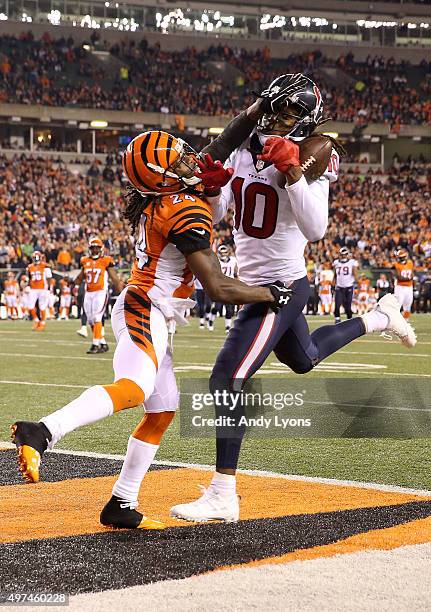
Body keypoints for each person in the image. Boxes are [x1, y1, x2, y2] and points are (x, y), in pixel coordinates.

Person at [11, 128, 290, 530]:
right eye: (179, 160)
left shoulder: (164, 196)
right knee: (135, 389)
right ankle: (43, 431)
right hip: (146, 306)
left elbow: (216, 148)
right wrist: (269, 293)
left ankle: (121, 503)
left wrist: (253, 113)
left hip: (153, 307)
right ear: (163, 177)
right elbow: (218, 286)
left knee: (161, 411)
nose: (192, 160)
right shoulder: (181, 208)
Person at [170, 73, 417, 523]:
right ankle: (380, 317)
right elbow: (227, 211)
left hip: (281, 287)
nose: (276, 119)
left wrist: (295, 173)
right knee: (302, 358)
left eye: (287, 112)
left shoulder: (313, 155)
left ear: (305, 119)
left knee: (226, 378)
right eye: (274, 109)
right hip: (256, 284)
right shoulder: (246, 149)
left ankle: (224, 493)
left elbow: (316, 229)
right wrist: (211, 185)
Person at [74, 238, 122, 353]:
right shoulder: (85, 261)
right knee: (90, 320)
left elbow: (114, 278)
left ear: (101, 249)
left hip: (100, 292)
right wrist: (74, 284)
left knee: (97, 318)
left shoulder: (106, 261)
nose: (94, 250)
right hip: (88, 292)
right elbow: (80, 277)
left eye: (97, 248)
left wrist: (121, 291)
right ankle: (103, 343)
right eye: (92, 248)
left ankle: (95, 344)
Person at [207, 245, 238, 333]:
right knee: (217, 307)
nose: (224, 254)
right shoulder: (217, 262)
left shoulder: (233, 260)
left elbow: (236, 270)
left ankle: (228, 327)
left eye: (225, 252)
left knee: (229, 309)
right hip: (220, 286)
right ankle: (211, 321)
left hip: (230, 286)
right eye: (222, 252)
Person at [27, 251, 52, 331]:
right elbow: (29, 278)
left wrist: (48, 288)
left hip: (42, 289)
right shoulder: (30, 267)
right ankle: (36, 320)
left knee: (42, 306)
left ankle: (42, 323)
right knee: (30, 306)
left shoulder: (44, 266)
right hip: (33, 289)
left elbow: (49, 277)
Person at [333, 246, 358, 323]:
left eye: (344, 254)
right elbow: (335, 275)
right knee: (337, 305)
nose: (343, 256)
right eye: (342, 254)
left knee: (348, 307)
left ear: (347, 254)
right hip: (339, 287)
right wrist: (333, 283)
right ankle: (337, 320)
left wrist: (356, 283)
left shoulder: (352, 262)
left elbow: (355, 274)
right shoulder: (336, 263)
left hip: (349, 287)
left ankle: (349, 321)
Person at [393, 248, 414, 319]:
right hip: (400, 287)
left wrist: (411, 277)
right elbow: (399, 277)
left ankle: (406, 322)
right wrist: (409, 278)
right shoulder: (396, 265)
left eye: (401, 257)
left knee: (408, 305)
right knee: (398, 305)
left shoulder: (410, 263)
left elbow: (412, 273)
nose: (400, 259)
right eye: (399, 257)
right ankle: (393, 323)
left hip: (409, 287)